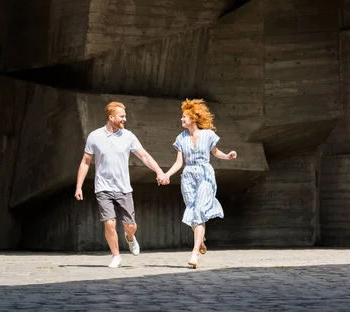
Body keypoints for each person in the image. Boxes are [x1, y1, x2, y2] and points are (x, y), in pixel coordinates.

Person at [74, 101, 169, 268]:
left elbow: (144, 156)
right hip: (103, 188)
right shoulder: (94, 136)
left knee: (130, 225)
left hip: (124, 188)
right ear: (111, 117)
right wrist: (78, 186)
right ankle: (116, 255)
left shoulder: (129, 136)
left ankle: (130, 237)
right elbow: (85, 162)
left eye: (125, 116)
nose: (125, 119)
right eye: (122, 116)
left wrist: (159, 172)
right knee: (109, 222)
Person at [164, 99, 237, 268]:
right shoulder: (180, 138)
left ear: (194, 118)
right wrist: (166, 175)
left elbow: (216, 152)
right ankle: (201, 241)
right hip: (188, 176)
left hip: (205, 174)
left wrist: (228, 156)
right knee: (192, 212)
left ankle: (195, 253)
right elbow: (178, 163)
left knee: (199, 211)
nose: (182, 119)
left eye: (184, 117)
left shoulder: (209, 135)